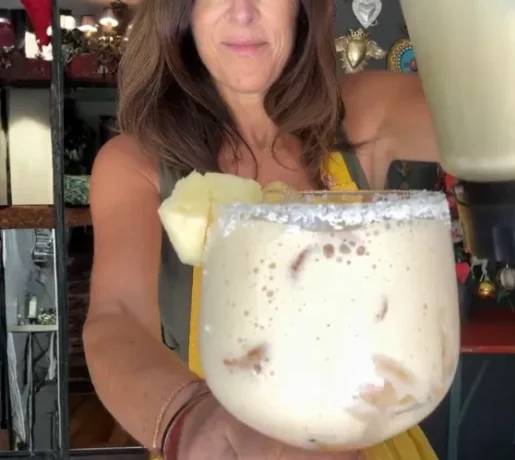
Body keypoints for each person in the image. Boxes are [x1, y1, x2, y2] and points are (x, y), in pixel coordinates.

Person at [84, 0, 441, 459]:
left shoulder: (360, 114)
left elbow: (499, 117)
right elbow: (118, 316)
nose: (242, 11)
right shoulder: (137, 164)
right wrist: (190, 417)